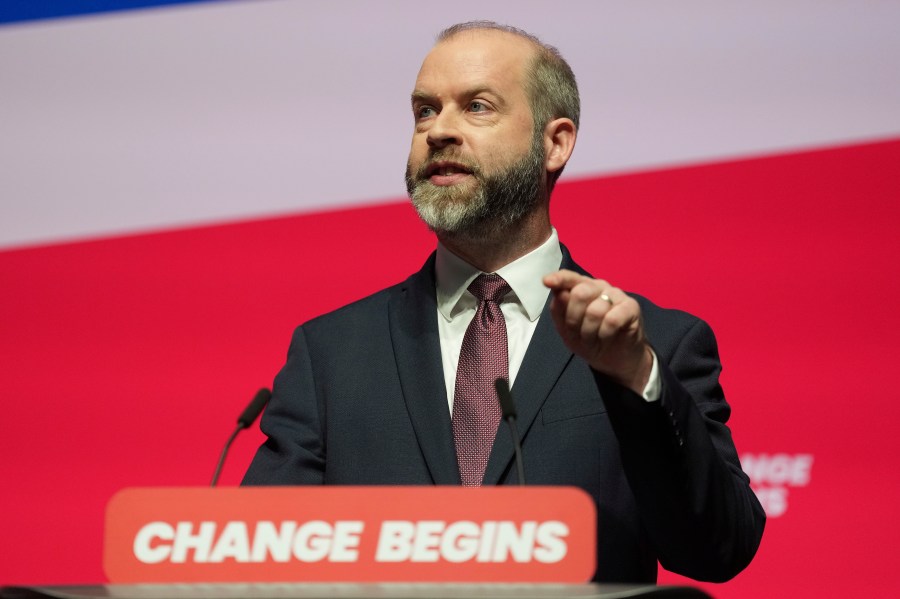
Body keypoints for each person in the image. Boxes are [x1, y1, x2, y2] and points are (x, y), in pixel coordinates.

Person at [243, 21, 765, 583]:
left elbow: (719, 548)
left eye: (477, 107)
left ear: (555, 142)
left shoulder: (655, 346)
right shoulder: (331, 354)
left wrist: (636, 375)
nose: (438, 130)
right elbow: (255, 560)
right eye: (424, 110)